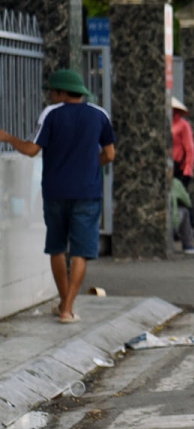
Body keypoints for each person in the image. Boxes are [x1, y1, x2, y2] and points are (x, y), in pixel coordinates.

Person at [0, 69, 115, 323]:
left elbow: (31, 150)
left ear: (62, 93)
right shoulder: (99, 115)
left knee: (57, 248)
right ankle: (67, 309)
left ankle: (64, 303)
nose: (50, 96)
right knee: (81, 253)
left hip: (55, 192)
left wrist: (7, 137)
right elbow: (110, 154)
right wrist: (91, 165)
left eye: (52, 91)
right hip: (87, 192)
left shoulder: (52, 114)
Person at [171, 97, 194, 187]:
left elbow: (190, 150)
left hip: (178, 168)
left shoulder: (183, 125)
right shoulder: (165, 125)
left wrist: (187, 172)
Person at [171, 176, 194, 255]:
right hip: (171, 225)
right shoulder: (175, 182)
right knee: (185, 211)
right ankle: (187, 244)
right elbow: (187, 202)